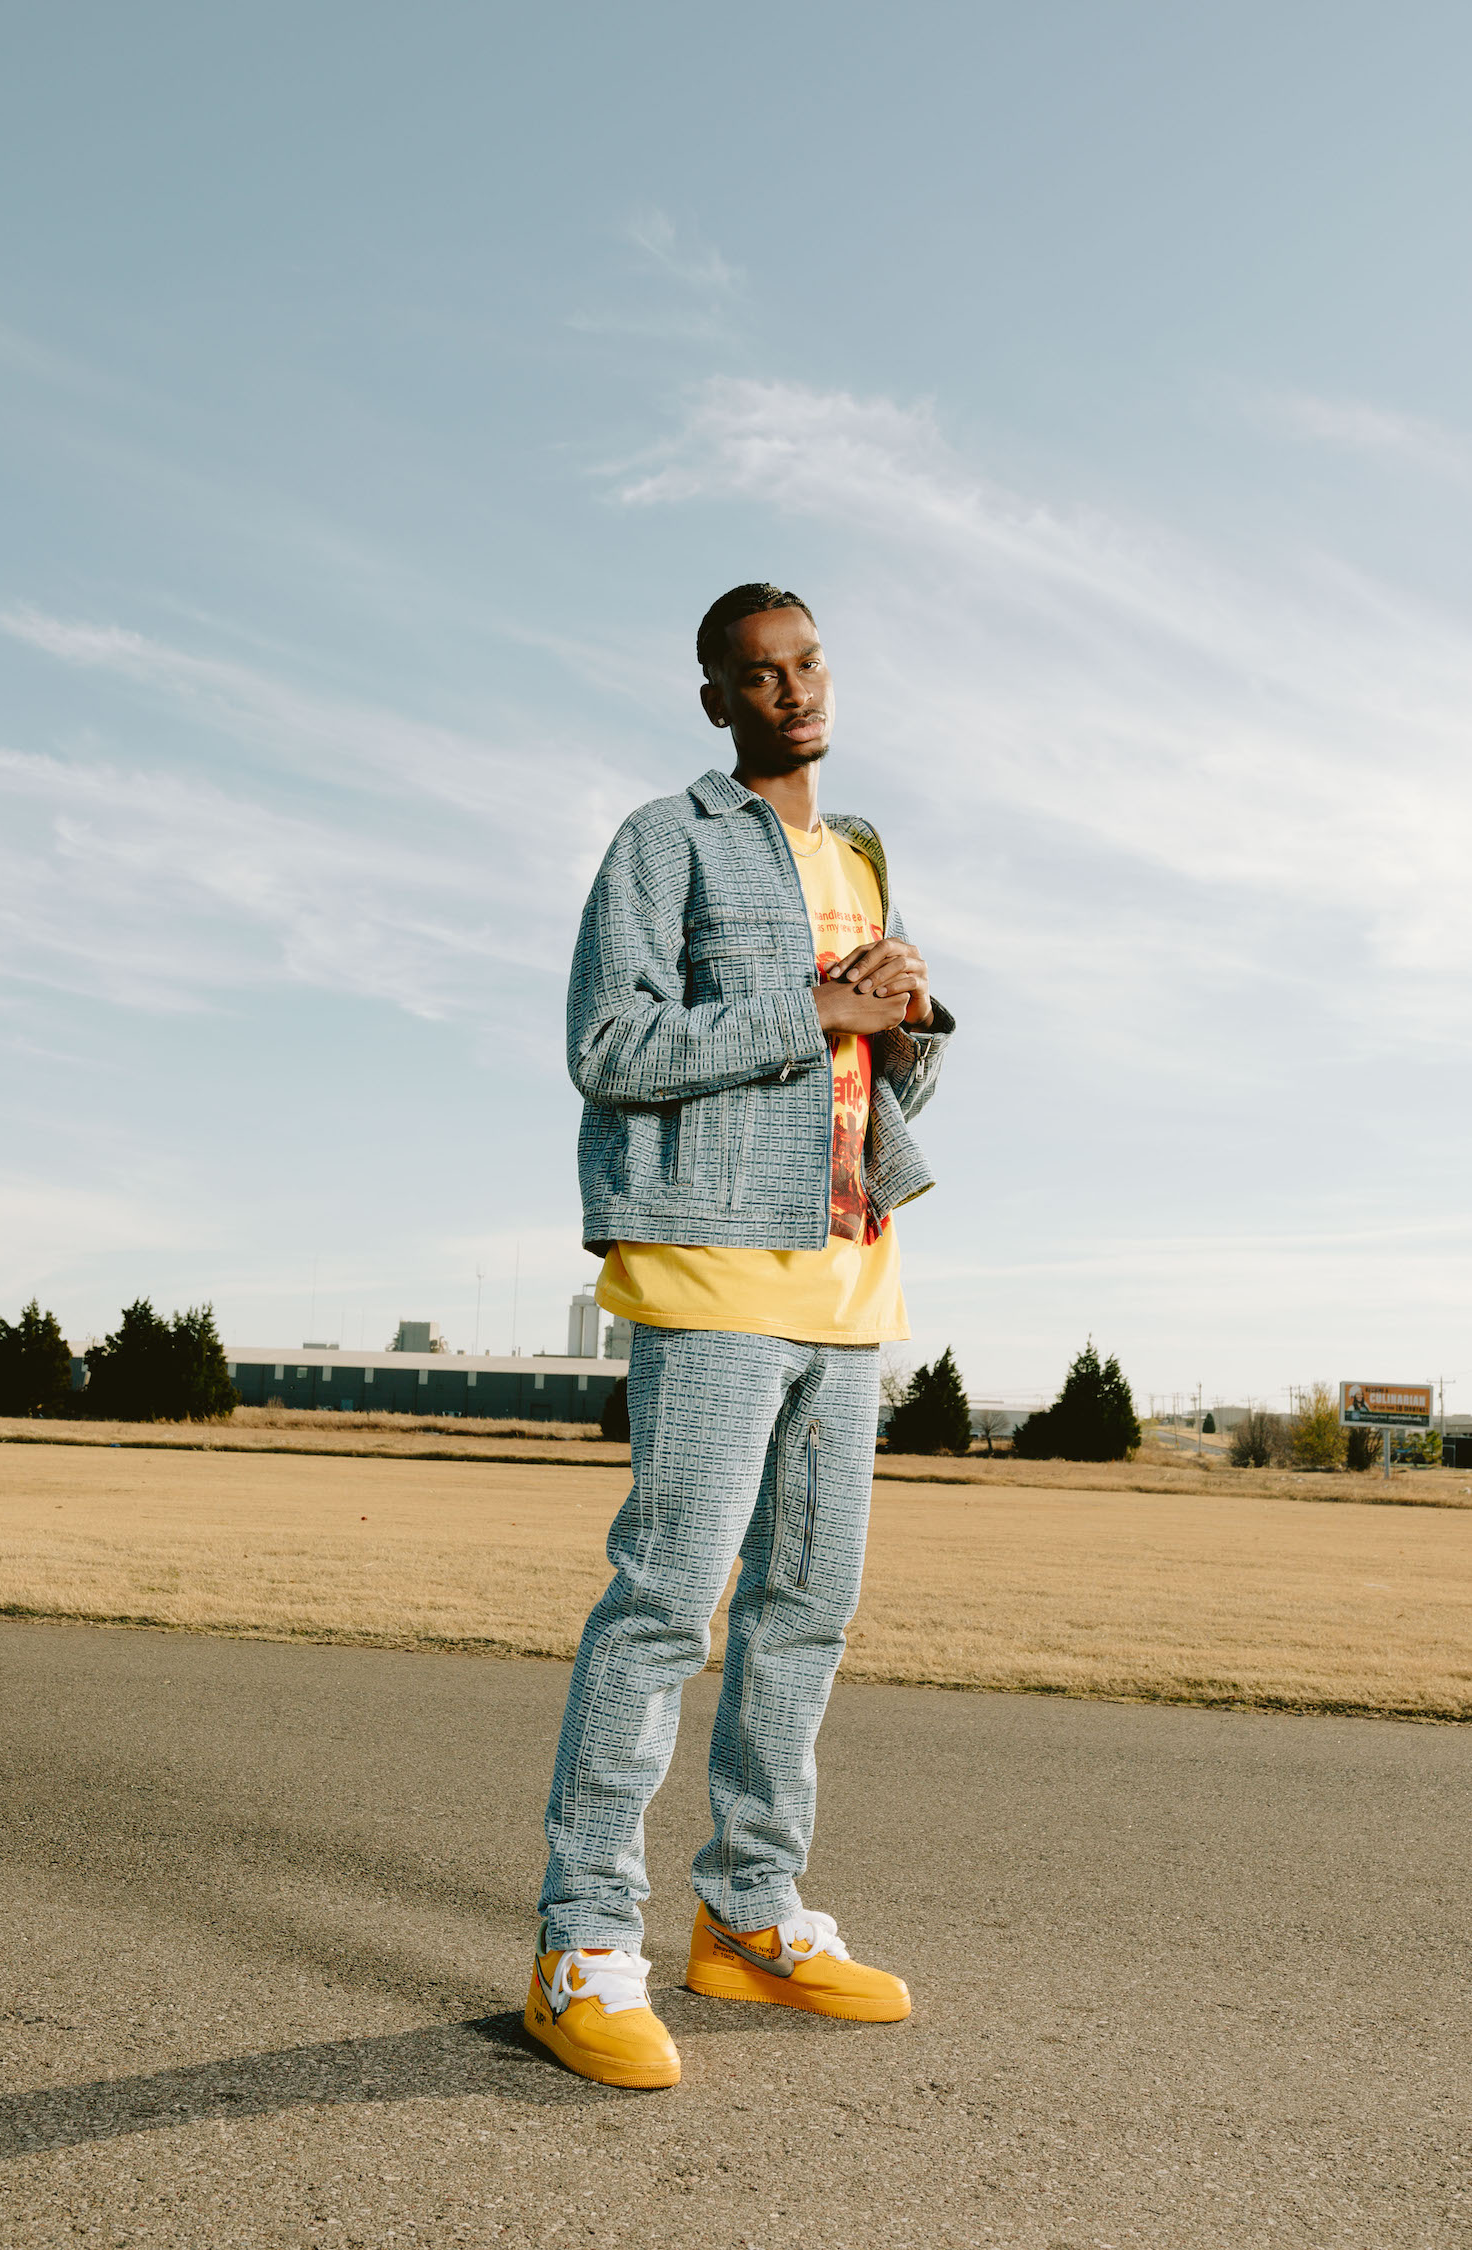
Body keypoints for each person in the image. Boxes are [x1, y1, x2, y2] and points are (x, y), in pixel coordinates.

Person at [524, 582, 955, 2088]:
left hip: (850, 1290)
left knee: (804, 1616)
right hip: (714, 1279)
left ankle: (748, 1913)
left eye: (810, 663)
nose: (793, 692)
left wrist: (897, 1023)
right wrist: (816, 1003)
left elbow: (869, 1084)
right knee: (662, 1608)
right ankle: (581, 1939)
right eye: (758, 676)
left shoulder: (864, 856)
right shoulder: (667, 841)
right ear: (717, 699)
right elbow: (609, 1045)